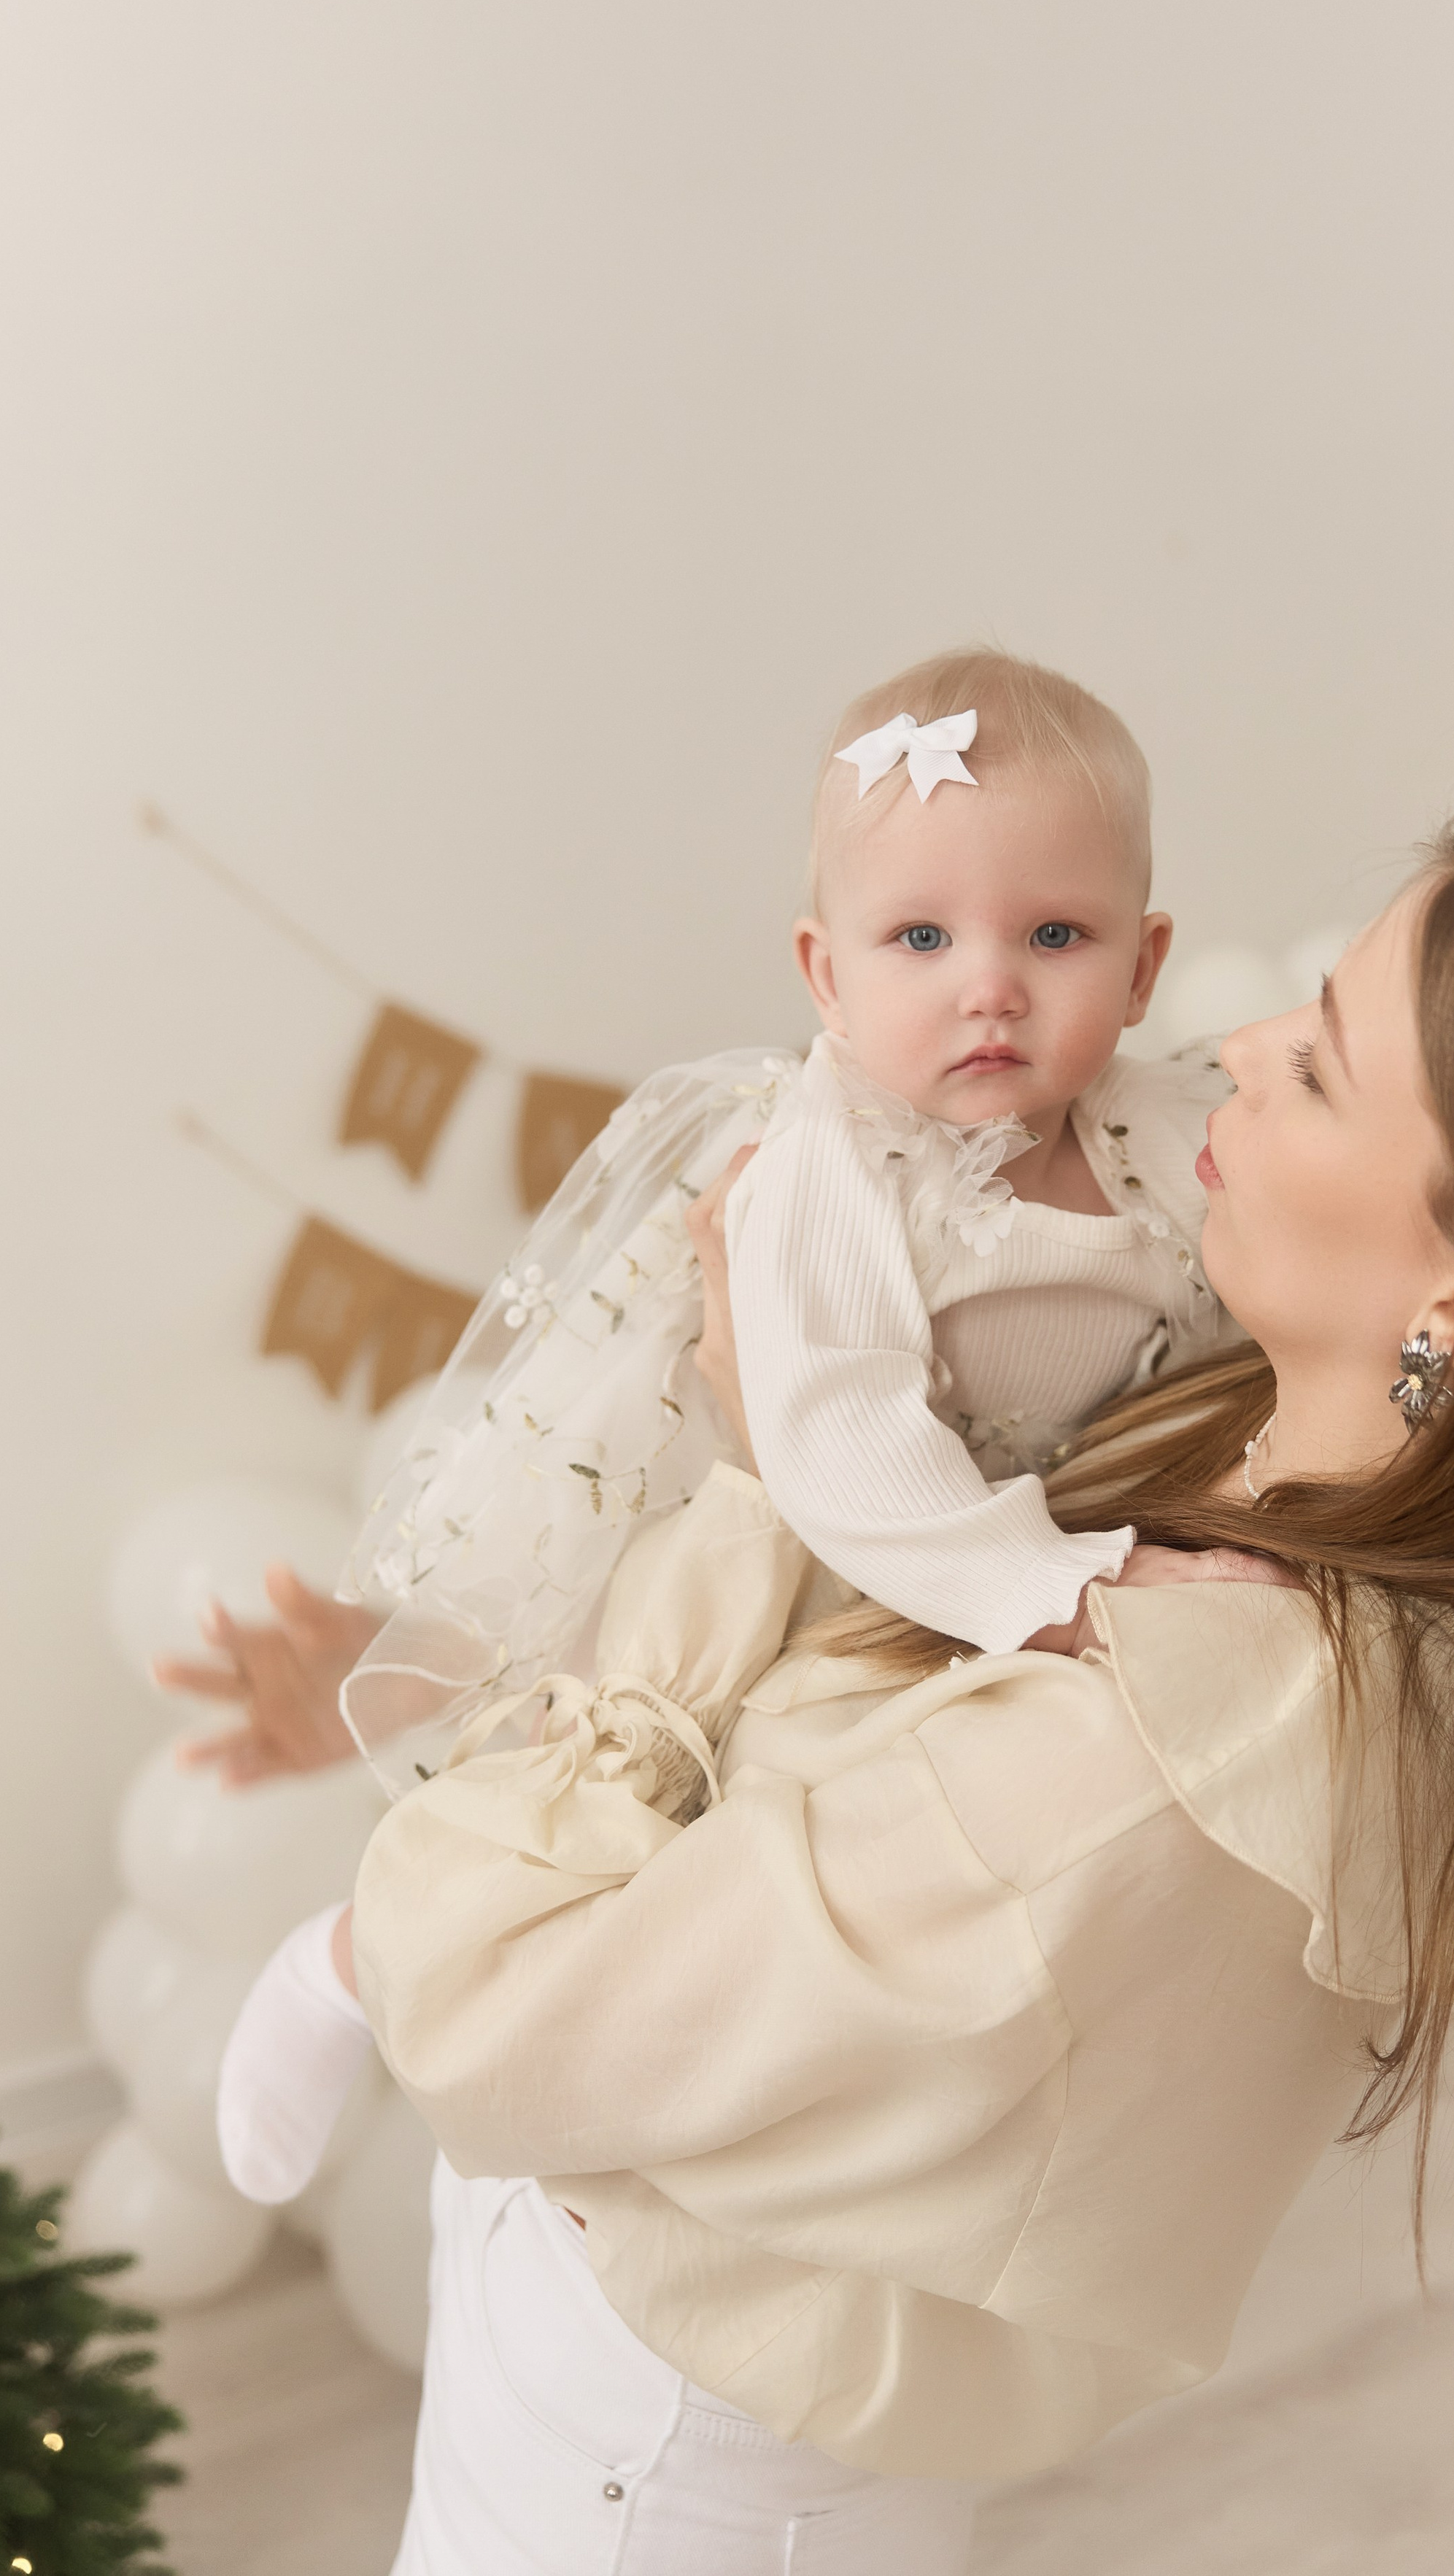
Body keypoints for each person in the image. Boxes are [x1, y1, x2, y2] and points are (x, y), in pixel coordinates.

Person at [325, 813, 1454, 2574]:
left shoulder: (1129, 1760)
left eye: (1325, 1068)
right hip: (729, 2395)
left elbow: (486, 2017)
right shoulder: (1323, 1515)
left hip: (645, 2467)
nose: (1239, 1050)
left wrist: (758, 1493)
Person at [213, 647, 1237, 2209]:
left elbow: (1244, 1302)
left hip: (972, 1586)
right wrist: (1062, 1593)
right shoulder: (835, 1162)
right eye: (919, 936)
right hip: (787, 1553)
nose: (989, 984)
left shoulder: (1155, 1128)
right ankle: (354, 1960)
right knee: (609, 1808)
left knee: (815, 1914)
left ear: (1144, 962)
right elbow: (832, 1438)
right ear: (825, 975)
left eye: (1054, 933)